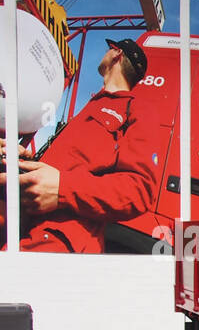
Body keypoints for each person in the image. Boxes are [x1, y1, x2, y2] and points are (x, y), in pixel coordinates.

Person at [1, 37, 162, 253]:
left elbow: (139, 190)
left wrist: (63, 189)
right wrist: (24, 159)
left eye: (109, 49)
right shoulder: (93, 106)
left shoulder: (137, 110)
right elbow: (65, 168)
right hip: (22, 222)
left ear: (117, 54)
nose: (105, 52)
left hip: (58, 238)